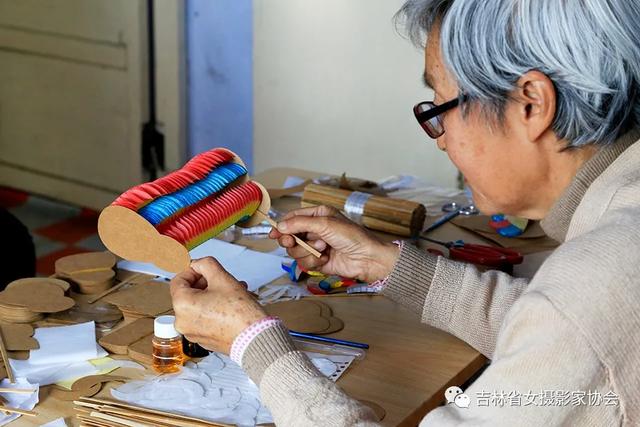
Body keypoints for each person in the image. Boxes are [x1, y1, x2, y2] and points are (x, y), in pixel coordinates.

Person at [170, 0, 640, 425]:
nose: (438, 136)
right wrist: (386, 265)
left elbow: (573, 326)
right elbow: (557, 338)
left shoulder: (590, 289)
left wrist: (254, 343)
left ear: (532, 104)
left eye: (441, 106)